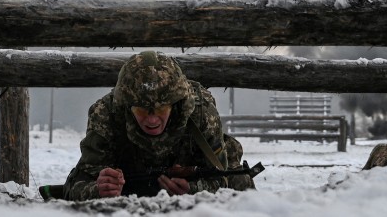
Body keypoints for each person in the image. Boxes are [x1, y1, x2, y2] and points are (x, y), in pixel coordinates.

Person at [63, 51, 251, 200]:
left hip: (191, 189)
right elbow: (76, 185)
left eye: (161, 109)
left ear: (176, 104)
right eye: (142, 110)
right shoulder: (106, 115)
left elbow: (222, 177)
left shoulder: (201, 113)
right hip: (125, 194)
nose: (152, 120)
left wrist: (194, 189)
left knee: (242, 184)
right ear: (127, 107)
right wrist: (99, 189)